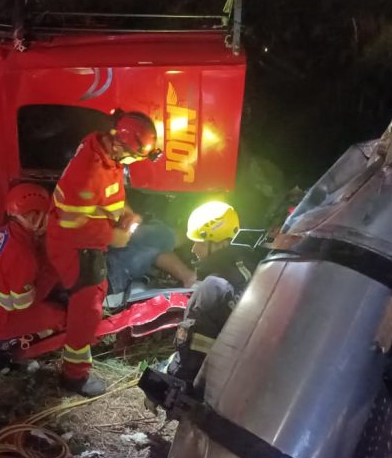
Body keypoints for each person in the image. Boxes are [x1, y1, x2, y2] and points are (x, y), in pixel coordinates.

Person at [46, 110, 194, 397]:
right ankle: (73, 377)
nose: (132, 162)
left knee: (151, 239)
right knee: (88, 311)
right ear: (119, 145)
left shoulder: (102, 149)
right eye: (133, 157)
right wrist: (118, 237)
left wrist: (125, 214)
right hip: (73, 247)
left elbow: (107, 192)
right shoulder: (87, 172)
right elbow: (75, 229)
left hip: (92, 237)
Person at [0, 183, 67, 371]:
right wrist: (53, 274)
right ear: (33, 216)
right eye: (47, 214)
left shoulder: (6, 232)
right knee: (59, 315)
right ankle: (3, 346)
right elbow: (24, 304)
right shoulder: (22, 256)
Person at [168, 201, 259, 386]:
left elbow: (191, 356)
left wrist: (169, 376)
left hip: (216, 388)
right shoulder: (257, 269)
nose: (194, 249)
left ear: (218, 243)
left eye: (199, 242)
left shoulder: (213, 288)